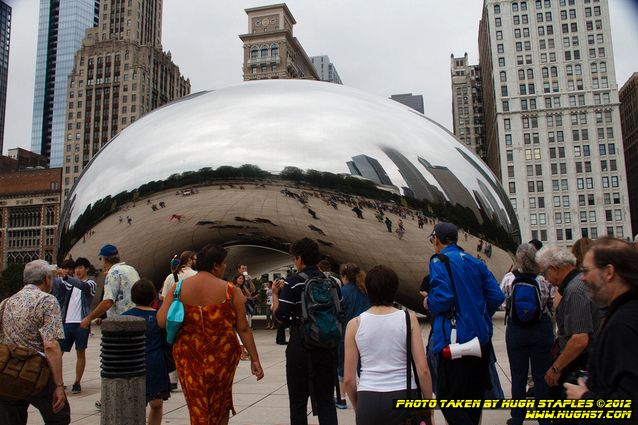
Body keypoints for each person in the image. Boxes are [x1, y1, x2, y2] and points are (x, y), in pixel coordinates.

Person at [157, 244, 263, 424]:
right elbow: (243, 328)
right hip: (222, 359)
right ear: (215, 265)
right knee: (220, 402)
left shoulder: (178, 288)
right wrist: (254, 359)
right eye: (223, 265)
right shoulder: (230, 291)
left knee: (197, 403)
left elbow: (161, 321)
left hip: (188, 358)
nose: (224, 268)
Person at [424, 222, 504, 425]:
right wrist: (480, 315)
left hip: (454, 342)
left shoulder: (439, 260)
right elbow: (496, 295)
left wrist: (428, 301)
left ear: (437, 239)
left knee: (446, 397)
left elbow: (443, 298)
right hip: (480, 341)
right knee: (473, 398)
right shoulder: (474, 261)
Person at [343, 265, 433, 425]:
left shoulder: (354, 324)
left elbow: (349, 379)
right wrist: (428, 409)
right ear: (394, 289)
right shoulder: (408, 319)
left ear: (369, 290)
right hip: (403, 396)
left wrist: (360, 408)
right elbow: (423, 370)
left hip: (368, 397)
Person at [564, 238, 638, 411]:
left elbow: (629, 406)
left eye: (586, 270)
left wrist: (585, 398)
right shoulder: (624, 313)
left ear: (609, 272)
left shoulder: (622, 326)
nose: (582, 278)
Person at [272, 237, 340, 425]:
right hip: (327, 346)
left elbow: (281, 317)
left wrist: (275, 296)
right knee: (326, 399)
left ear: (299, 259)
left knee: (298, 401)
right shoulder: (331, 282)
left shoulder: (292, 283)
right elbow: (339, 311)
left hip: (300, 347)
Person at [0, 260, 70, 424]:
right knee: (59, 416)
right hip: (36, 373)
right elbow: (50, 345)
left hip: (7, 373)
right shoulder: (47, 301)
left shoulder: (6, 302)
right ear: (47, 279)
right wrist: (59, 385)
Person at [535, 246, 601, 405]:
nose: (545, 278)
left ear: (555, 269)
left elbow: (580, 339)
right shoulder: (574, 285)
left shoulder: (575, 290)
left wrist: (556, 368)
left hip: (579, 366)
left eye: (544, 273)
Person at [502, 244, 554, 425]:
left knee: (518, 375)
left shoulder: (509, 278)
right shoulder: (544, 279)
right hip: (541, 327)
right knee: (541, 375)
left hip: (516, 329)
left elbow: (503, 303)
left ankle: (517, 417)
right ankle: (544, 417)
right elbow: (551, 302)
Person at [123, 279, 171, 425]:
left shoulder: (125, 316)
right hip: (154, 363)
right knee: (156, 405)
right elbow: (166, 342)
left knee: (134, 404)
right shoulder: (158, 317)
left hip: (131, 363)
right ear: (153, 297)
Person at [52, 258, 96, 394]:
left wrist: (65, 276)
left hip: (81, 323)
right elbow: (58, 287)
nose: (77, 270)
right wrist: (53, 275)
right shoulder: (69, 284)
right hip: (67, 321)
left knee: (80, 352)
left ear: (87, 269)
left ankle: (77, 382)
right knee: (59, 352)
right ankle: (56, 381)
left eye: (81, 267)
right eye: (76, 268)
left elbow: (83, 286)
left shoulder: (91, 283)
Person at [80, 244, 140, 329]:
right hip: (136, 320)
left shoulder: (112, 273)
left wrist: (89, 318)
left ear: (104, 259)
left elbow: (108, 302)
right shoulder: (131, 269)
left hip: (121, 323)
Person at [336, 263, 370, 410]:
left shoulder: (342, 292)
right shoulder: (365, 290)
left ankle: (342, 399)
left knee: (343, 368)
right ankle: (366, 397)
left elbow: (338, 313)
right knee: (364, 368)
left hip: (346, 334)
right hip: (366, 333)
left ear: (344, 276)